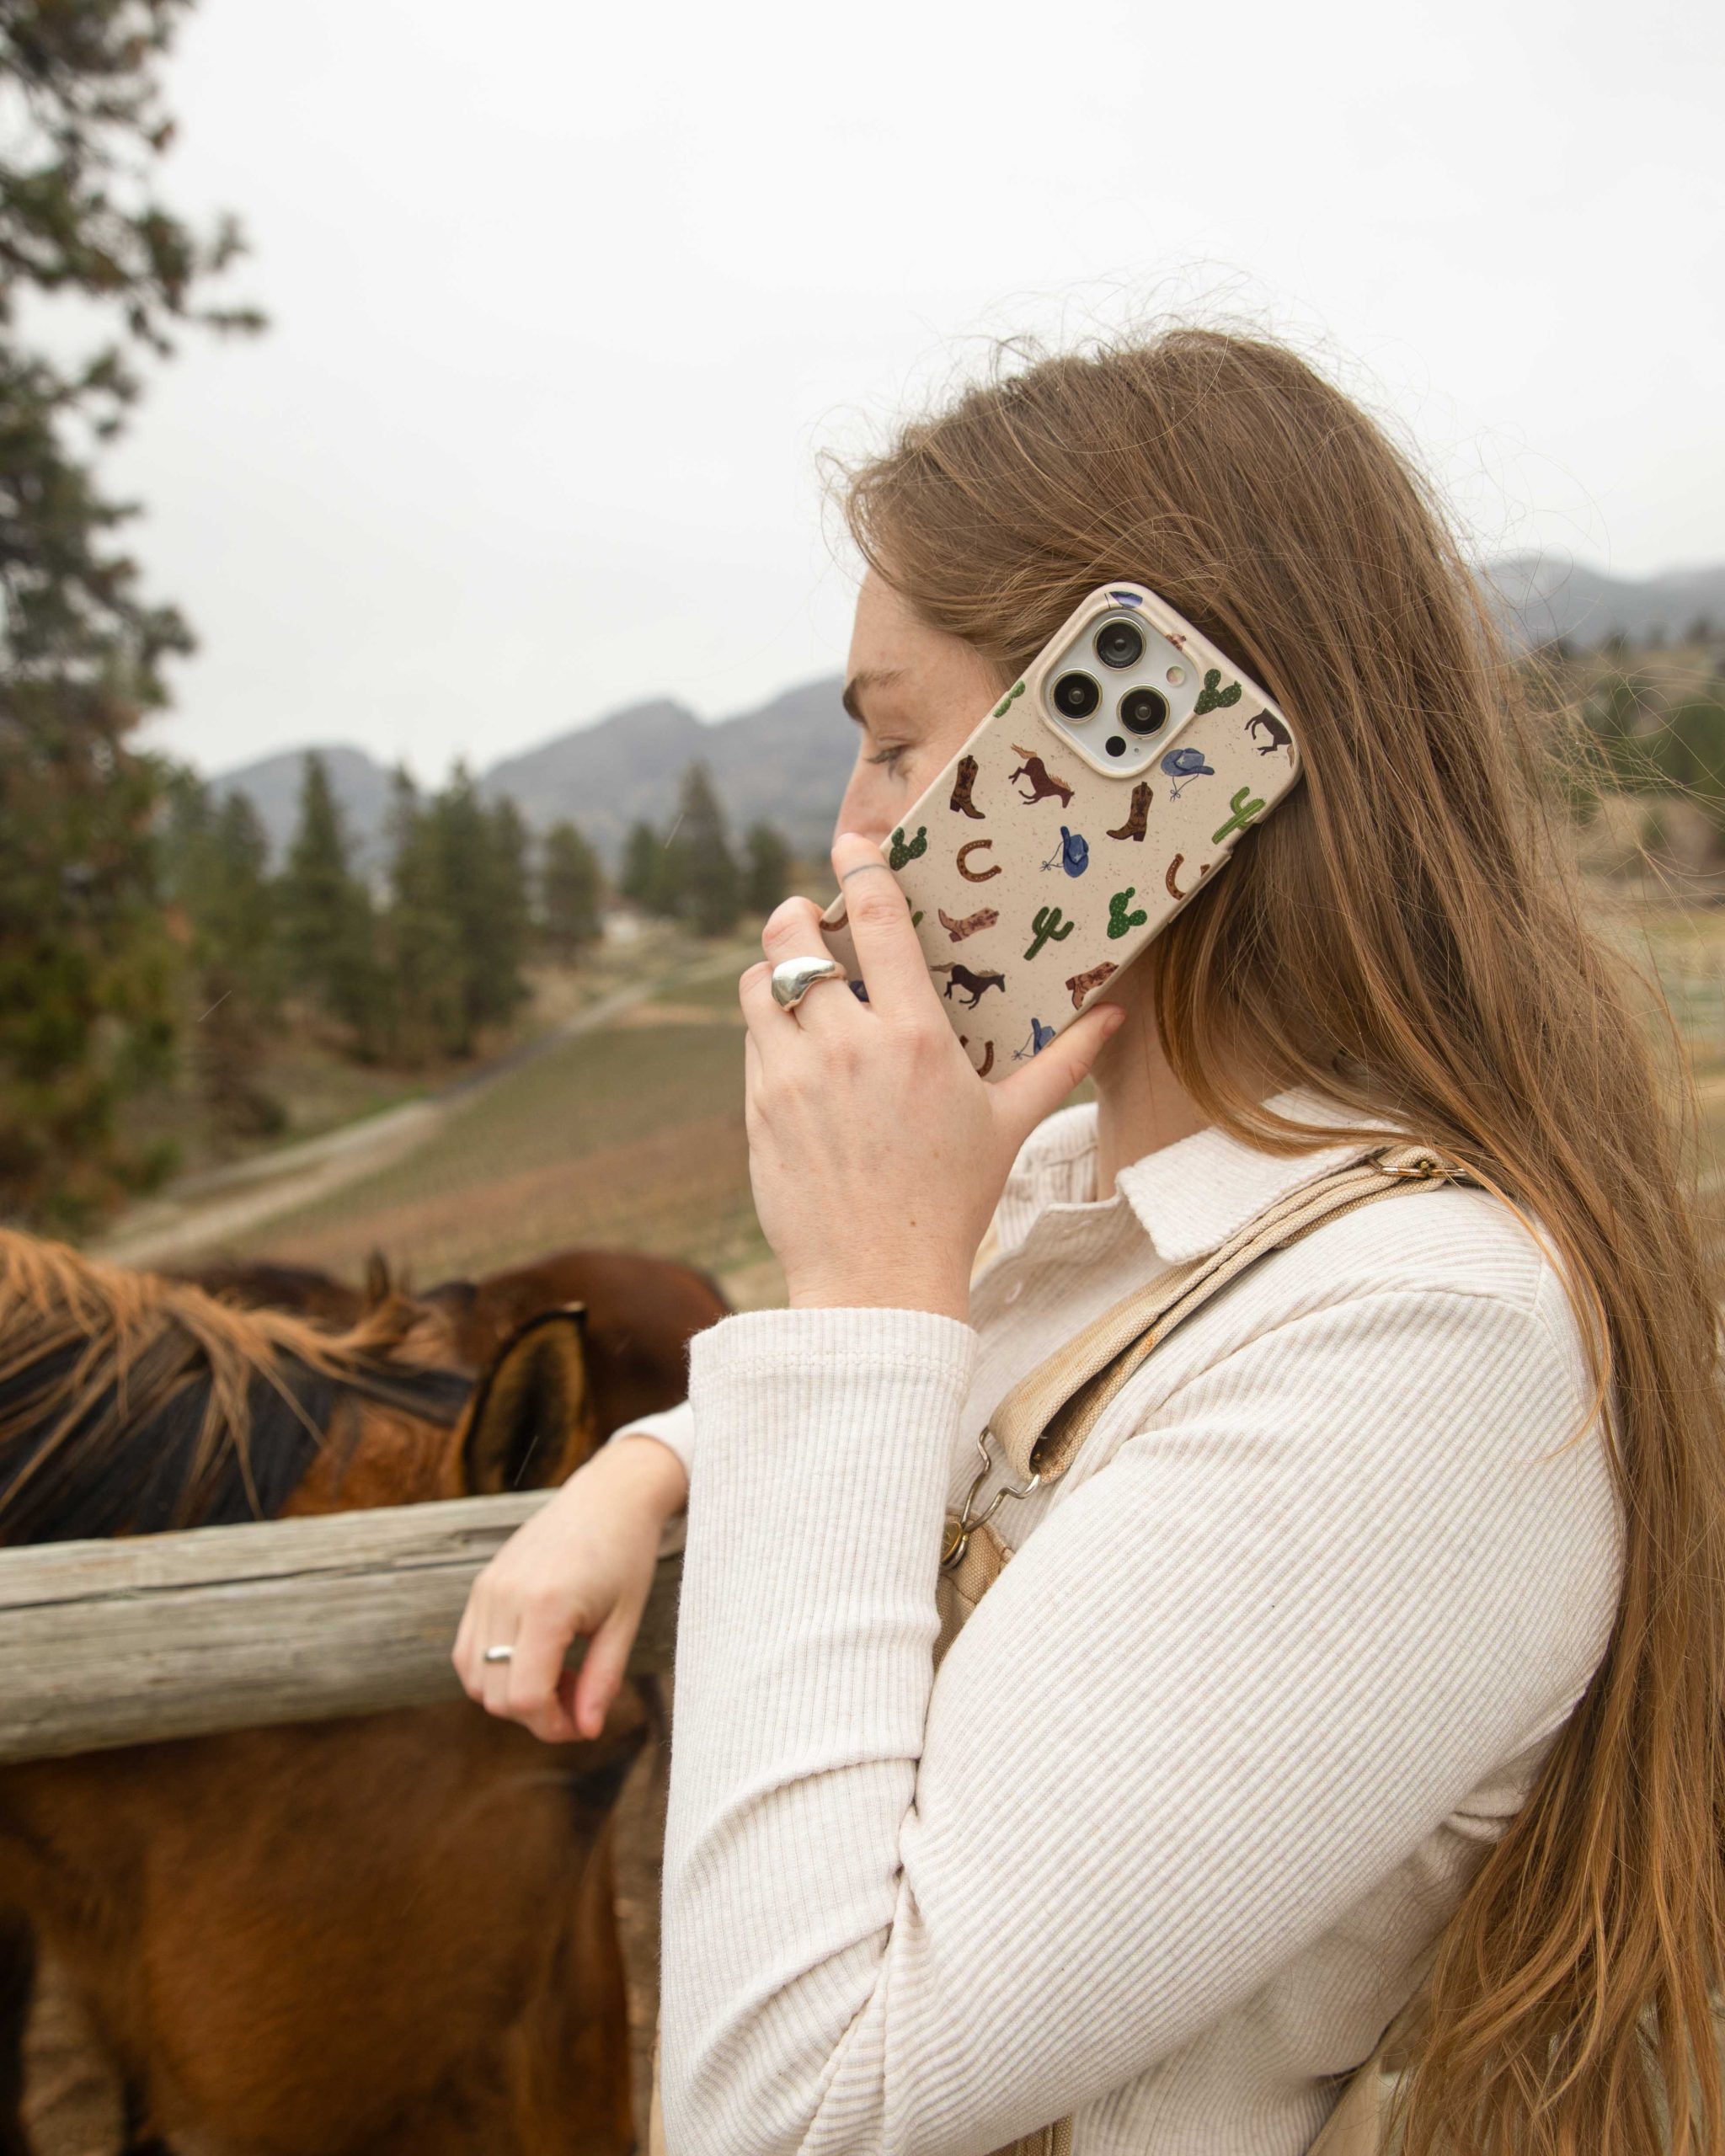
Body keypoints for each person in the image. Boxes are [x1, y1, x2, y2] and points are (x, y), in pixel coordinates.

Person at [452, 328, 1725, 2155]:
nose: (855, 830)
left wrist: (860, 1287)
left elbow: (792, 2108)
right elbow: (962, 1399)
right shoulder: (1089, 1213)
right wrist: (651, 1462)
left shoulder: (1424, 1344)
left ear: (1167, 769)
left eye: (899, 742)